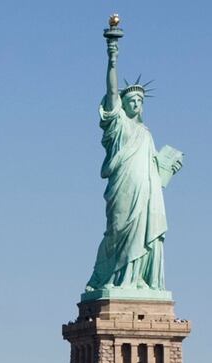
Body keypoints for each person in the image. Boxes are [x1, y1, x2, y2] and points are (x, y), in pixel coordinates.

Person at [84, 31, 182, 295]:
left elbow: (154, 168)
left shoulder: (146, 133)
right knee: (118, 230)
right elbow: (111, 92)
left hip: (146, 192)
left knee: (145, 231)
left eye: (140, 101)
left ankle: (137, 278)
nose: (136, 104)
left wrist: (168, 168)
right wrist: (112, 58)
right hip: (123, 186)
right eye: (131, 100)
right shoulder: (118, 125)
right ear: (123, 104)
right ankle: (117, 278)